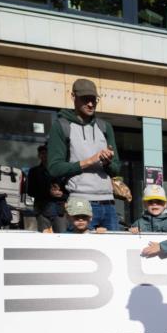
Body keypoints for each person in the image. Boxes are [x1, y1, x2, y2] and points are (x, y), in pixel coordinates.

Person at [47, 79, 122, 231]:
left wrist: (107, 162)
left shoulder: (105, 127)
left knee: (114, 251)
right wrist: (90, 160)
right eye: (85, 99)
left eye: (94, 99)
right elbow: (54, 168)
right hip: (79, 204)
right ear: (73, 96)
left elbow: (116, 169)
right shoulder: (61, 126)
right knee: (78, 253)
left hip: (108, 203)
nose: (90, 104)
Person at [130, 185, 167, 257]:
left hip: (164, 261)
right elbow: (128, 236)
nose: (155, 204)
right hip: (144, 259)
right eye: (150, 202)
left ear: (165, 204)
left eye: (159, 201)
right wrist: (131, 231)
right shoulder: (139, 222)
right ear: (145, 204)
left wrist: (161, 246)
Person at [27, 144, 67, 233]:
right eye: (42, 153)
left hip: (59, 210)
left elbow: (68, 190)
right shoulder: (34, 171)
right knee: (44, 238)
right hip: (42, 209)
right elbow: (30, 191)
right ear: (39, 155)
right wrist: (48, 193)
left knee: (62, 237)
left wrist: (62, 194)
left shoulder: (61, 170)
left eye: (47, 153)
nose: (44, 155)